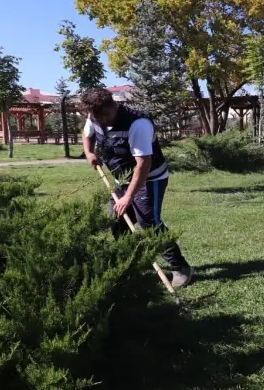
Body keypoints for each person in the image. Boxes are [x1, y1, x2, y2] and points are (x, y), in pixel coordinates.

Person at [80, 88, 193, 287]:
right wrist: (89, 153)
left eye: (106, 115)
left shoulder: (138, 124)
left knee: (148, 221)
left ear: (113, 105)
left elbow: (143, 165)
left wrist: (128, 197)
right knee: (116, 221)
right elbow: (87, 134)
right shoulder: (95, 115)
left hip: (150, 178)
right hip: (121, 178)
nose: (102, 120)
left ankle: (180, 267)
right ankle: (132, 263)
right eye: (98, 116)